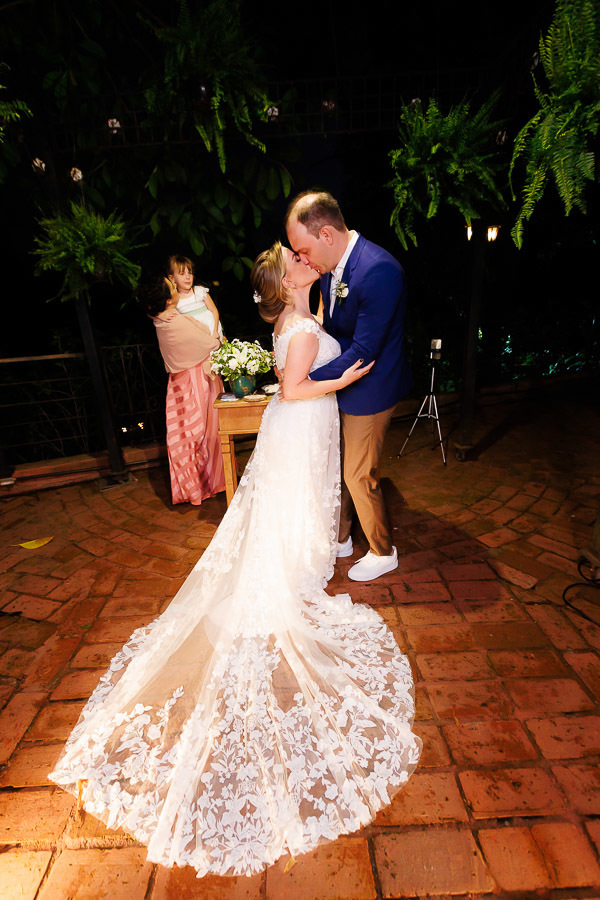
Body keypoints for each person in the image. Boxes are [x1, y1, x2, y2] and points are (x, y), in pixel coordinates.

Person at [48, 243, 420, 878]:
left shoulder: (297, 319)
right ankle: (290, 575)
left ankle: (298, 562)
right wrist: (346, 379)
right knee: (293, 504)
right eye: (298, 263)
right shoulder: (301, 327)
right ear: (286, 282)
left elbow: (289, 379)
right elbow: (300, 387)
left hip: (298, 426)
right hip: (304, 420)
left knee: (292, 504)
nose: (307, 264)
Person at [286, 191, 412, 582]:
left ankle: (381, 549)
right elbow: (334, 328)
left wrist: (304, 381)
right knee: (336, 465)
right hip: (343, 382)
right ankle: (341, 537)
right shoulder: (331, 267)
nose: (302, 260)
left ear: (326, 234)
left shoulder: (379, 270)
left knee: (358, 472)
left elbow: (363, 350)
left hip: (370, 387)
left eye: (303, 250)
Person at [144, 275, 225, 505]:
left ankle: (201, 484)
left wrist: (156, 312)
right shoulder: (175, 322)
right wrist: (217, 339)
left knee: (186, 434)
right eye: (172, 286)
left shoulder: (161, 318)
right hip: (196, 379)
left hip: (179, 382)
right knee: (203, 433)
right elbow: (210, 344)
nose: (175, 284)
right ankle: (207, 483)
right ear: (169, 299)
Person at [168, 254, 224, 341]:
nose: (187, 277)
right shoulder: (174, 300)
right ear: (172, 278)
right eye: (182, 274)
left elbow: (214, 310)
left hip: (212, 330)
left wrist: (216, 331)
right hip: (194, 336)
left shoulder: (199, 292)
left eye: (190, 273)